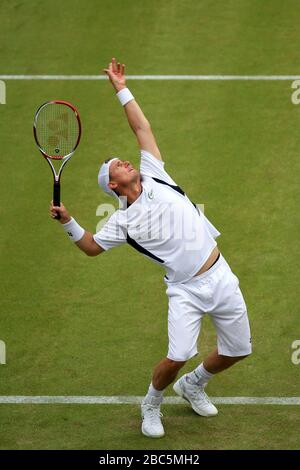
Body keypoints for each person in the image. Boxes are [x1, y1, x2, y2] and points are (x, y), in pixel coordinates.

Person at [50, 58, 252, 439]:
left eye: (122, 160)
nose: (124, 161)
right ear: (113, 186)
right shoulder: (122, 222)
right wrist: (68, 222)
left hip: (221, 274)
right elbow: (92, 247)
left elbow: (140, 126)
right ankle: (151, 403)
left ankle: (194, 384)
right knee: (177, 355)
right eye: (116, 166)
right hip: (185, 290)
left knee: (239, 350)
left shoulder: (155, 172)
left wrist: (120, 87)